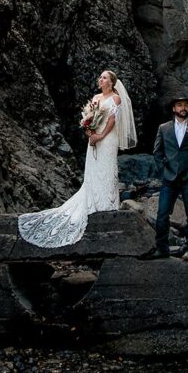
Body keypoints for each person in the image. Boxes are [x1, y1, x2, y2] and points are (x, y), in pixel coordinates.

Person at [18, 70, 137, 248]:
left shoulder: (116, 98)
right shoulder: (96, 97)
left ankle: (107, 203)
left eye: (104, 77)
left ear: (111, 83)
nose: (100, 79)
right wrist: (90, 131)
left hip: (108, 138)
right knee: (93, 169)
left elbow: (112, 120)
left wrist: (101, 135)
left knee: (107, 168)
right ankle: (93, 201)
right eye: (100, 77)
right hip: (94, 137)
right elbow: (89, 118)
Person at [150, 96, 188, 260]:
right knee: (162, 213)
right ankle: (161, 249)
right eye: (179, 105)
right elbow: (157, 152)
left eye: (185, 105)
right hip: (169, 177)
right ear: (173, 109)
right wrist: (163, 170)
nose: (183, 107)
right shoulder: (164, 128)